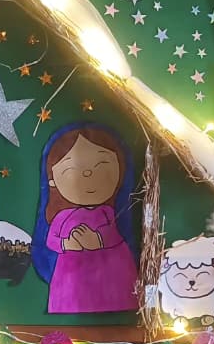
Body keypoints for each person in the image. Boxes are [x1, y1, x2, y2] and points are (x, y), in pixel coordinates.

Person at [32, 122, 138, 314]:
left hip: (110, 273)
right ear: (52, 180)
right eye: (72, 170)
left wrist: (97, 239)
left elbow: (115, 233)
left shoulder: (109, 212)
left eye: (102, 167)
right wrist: (66, 244)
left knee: (112, 294)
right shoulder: (62, 216)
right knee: (74, 295)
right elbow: (51, 240)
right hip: (71, 273)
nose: (88, 175)